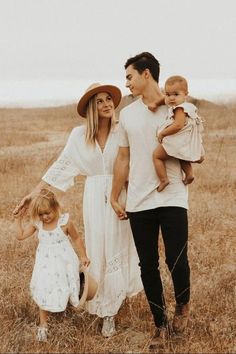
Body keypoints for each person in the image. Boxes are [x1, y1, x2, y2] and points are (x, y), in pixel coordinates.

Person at [13, 83, 142, 338]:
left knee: (116, 248)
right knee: (96, 248)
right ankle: (97, 301)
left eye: (109, 99)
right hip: (94, 196)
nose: (107, 104)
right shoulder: (78, 136)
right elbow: (59, 169)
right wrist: (33, 194)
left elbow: (134, 164)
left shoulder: (122, 131)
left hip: (120, 196)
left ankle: (111, 313)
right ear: (91, 108)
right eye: (100, 101)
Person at [111, 52, 191, 350]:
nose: (127, 83)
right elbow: (123, 157)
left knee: (176, 258)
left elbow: (193, 141)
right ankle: (160, 325)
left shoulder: (176, 107)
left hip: (172, 194)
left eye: (130, 76)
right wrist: (114, 194)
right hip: (138, 200)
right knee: (148, 265)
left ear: (147, 74)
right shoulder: (128, 115)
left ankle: (183, 305)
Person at [14, 188, 90, 342]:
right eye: (41, 214)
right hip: (46, 265)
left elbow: (76, 239)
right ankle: (43, 326)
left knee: (66, 286)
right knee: (45, 289)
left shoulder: (64, 222)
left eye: (47, 213)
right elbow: (20, 236)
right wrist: (18, 218)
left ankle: (66, 311)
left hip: (64, 263)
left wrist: (83, 255)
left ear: (55, 207)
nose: (44, 217)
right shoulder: (38, 224)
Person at [153, 75, 204, 192]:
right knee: (181, 156)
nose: (171, 98)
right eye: (167, 94)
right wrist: (156, 103)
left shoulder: (179, 109)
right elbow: (165, 100)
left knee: (156, 156)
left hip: (176, 141)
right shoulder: (188, 107)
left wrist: (163, 134)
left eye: (176, 94)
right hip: (182, 142)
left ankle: (163, 179)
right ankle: (189, 174)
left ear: (186, 94)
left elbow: (178, 125)